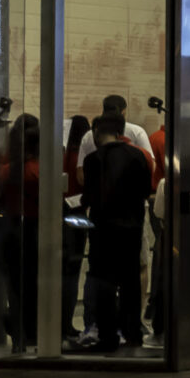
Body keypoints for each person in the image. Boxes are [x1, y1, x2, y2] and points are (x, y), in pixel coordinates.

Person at [79, 112, 153, 354]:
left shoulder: (93, 160)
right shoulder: (138, 157)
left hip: (102, 230)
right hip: (131, 228)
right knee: (131, 283)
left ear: (98, 133)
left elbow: (89, 197)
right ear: (120, 132)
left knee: (104, 284)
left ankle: (108, 336)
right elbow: (144, 190)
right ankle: (133, 334)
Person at [0, 114, 44, 351]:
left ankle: (18, 335)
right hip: (35, 228)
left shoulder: (7, 169)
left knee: (15, 287)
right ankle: (33, 333)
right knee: (35, 285)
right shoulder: (40, 171)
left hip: (11, 228)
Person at [60, 115, 91, 344]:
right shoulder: (84, 159)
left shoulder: (57, 155)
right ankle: (67, 322)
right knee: (72, 270)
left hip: (57, 214)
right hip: (78, 216)